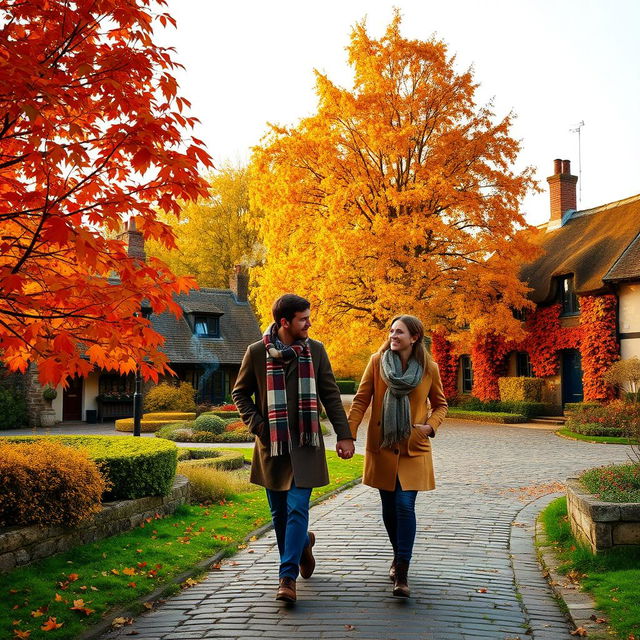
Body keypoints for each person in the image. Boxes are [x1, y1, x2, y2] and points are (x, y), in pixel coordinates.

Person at [232, 294, 355, 603]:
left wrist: (345, 435)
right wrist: (259, 425)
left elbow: (330, 393)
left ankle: (287, 578)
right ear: (284, 322)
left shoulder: (315, 351)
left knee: (297, 507)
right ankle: (302, 546)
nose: (309, 323)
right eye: (303, 319)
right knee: (280, 516)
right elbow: (240, 393)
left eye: (308, 317)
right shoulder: (257, 352)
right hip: (272, 447)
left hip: (305, 443)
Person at [347, 314, 447, 598]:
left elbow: (440, 404)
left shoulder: (429, 368)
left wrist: (430, 426)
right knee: (389, 507)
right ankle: (397, 554)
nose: (393, 335)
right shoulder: (377, 362)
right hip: (383, 446)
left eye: (399, 332)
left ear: (414, 337)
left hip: (413, 447)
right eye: (391, 331)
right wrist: (349, 434)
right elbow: (361, 399)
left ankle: (402, 569)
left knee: (404, 504)